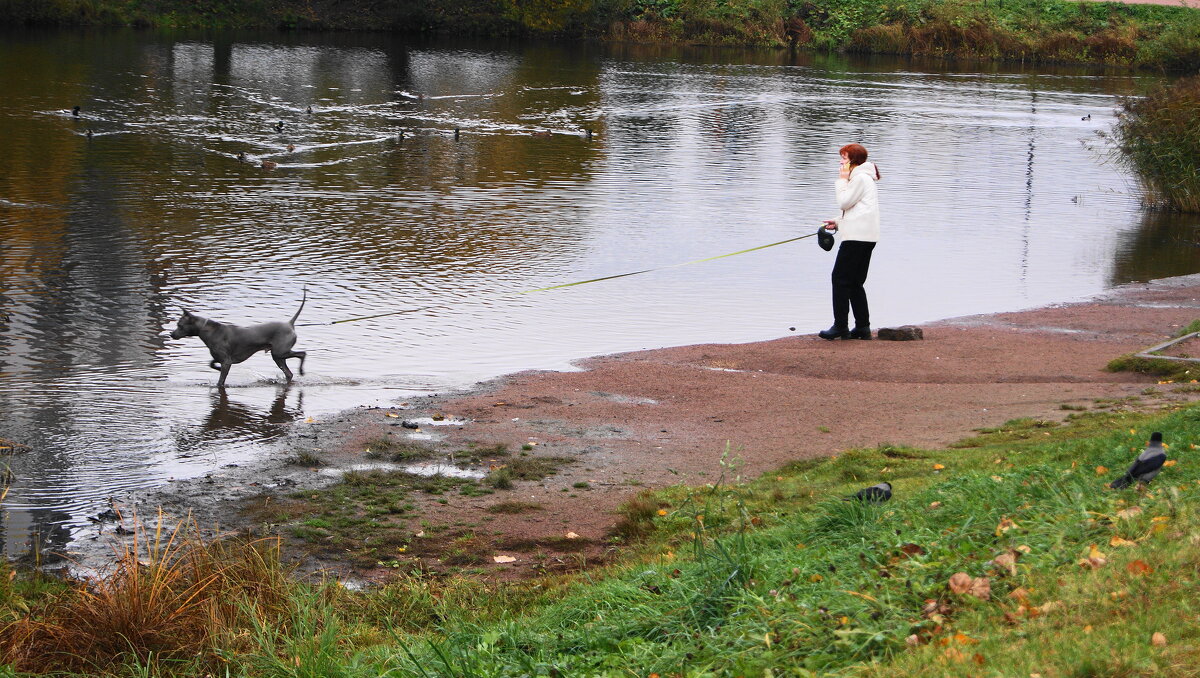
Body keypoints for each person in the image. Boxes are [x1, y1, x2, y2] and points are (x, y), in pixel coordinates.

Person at [818, 143, 881, 340]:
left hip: (856, 237)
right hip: (865, 236)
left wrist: (841, 181)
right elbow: (858, 209)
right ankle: (862, 327)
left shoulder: (859, 178)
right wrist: (837, 223)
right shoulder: (864, 178)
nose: (841, 162)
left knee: (839, 279)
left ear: (853, 161)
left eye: (844, 158)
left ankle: (840, 327)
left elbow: (844, 202)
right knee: (855, 283)